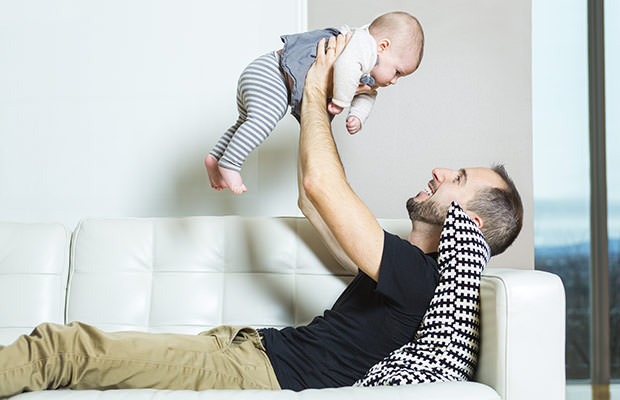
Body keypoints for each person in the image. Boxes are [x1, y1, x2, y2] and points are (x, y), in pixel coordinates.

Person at [0, 34, 522, 397]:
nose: (438, 171)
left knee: (60, 349)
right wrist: (304, 101)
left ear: (469, 224)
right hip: (250, 346)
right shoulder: (396, 264)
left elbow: (322, 183)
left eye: (456, 179)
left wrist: (318, 91)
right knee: (66, 353)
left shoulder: (421, 278)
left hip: (258, 372)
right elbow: (310, 198)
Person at [205, 11, 424, 194]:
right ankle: (231, 163)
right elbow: (346, 68)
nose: (394, 81)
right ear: (383, 46)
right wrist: (340, 102)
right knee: (262, 121)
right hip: (276, 76)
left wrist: (357, 116)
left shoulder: (369, 69)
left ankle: (215, 157)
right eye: (397, 72)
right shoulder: (362, 47)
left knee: (245, 121)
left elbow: (367, 95)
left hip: (263, 70)